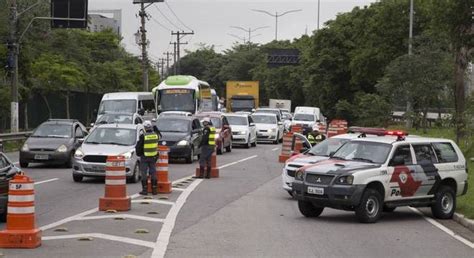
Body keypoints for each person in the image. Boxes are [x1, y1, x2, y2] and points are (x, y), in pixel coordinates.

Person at [135, 120, 161, 195]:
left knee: (144, 173)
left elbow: (139, 147)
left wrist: (139, 154)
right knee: (153, 172)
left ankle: (145, 190)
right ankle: (154, 189)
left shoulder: (143, 136)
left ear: (145, 127)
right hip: (153, 156)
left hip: (145, 156)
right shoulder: (156, 135)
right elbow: (159, 136)